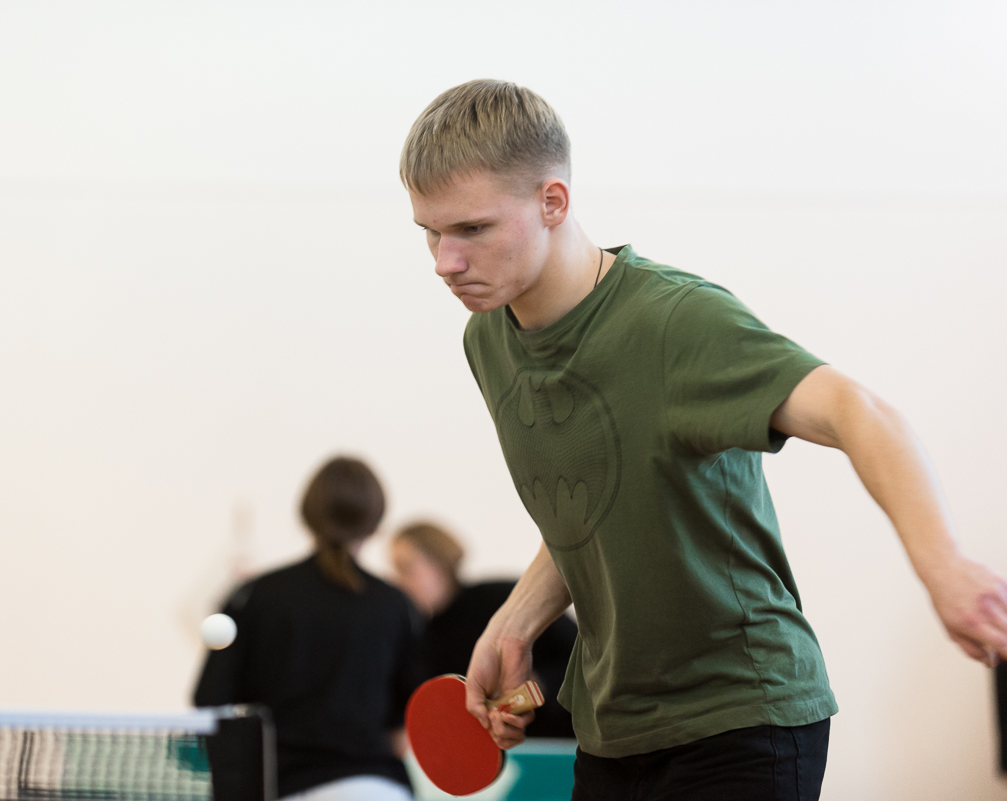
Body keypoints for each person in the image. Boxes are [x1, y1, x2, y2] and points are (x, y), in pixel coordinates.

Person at [399, 79, 1007, 800]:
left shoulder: (677, 323)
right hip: (613, 730)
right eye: (431, 232)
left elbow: (861, 412)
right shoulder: (489, 342)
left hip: (740, 717)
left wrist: (944, 567)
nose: (444, 261)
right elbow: (595, 504)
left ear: (553, 202)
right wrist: (513, 623)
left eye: (472, 229)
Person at [192, 456, 423, 801]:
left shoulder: (254, 595)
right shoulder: (397, 605)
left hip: (289, 785)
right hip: (379, 787)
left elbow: (209, 698)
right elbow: (412, 713)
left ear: (307, 515)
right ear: (375, 522)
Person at [390, 520, 577, 738]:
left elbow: (584, 653)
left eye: (406, 568)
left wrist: (540, 683)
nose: (399, 581)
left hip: (561, 740)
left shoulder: (502, 598)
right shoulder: (419, 636)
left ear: (439, 560)